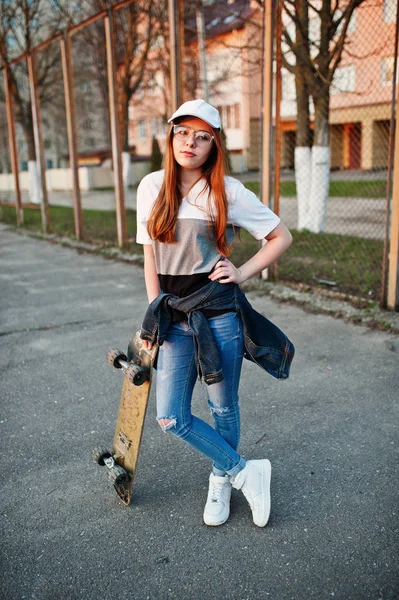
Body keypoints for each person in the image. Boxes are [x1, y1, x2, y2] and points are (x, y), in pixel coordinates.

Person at [136, 99, 294, 528]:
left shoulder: (227, 191)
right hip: (173, 318)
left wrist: (240, 271)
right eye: (183, 132)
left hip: (219, 313)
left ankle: (221, 479)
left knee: (222, 406)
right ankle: (245, 470)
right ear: (171, 135)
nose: (191, 142)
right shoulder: (151, 187)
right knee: (170, 417)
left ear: (213, 146)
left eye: (202, 136)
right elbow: (151, 259)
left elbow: (281, 236)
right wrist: (154, 316)